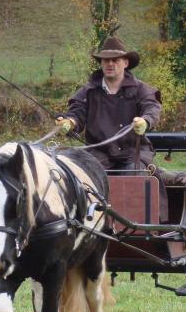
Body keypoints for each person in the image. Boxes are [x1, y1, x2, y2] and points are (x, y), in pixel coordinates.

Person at [56, 36, 167, 221]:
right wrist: (70, 122)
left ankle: (135, 223)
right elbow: (77, 113)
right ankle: (83, 221)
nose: (110, 64)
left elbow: (152, 108)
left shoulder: (142, 90)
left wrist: (145, 122)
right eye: (105, 60)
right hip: (98, 153)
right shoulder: (88, 91)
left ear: (125, 62)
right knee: (80, 173)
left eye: (114, 60)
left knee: (132, 174)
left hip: (134, 152)